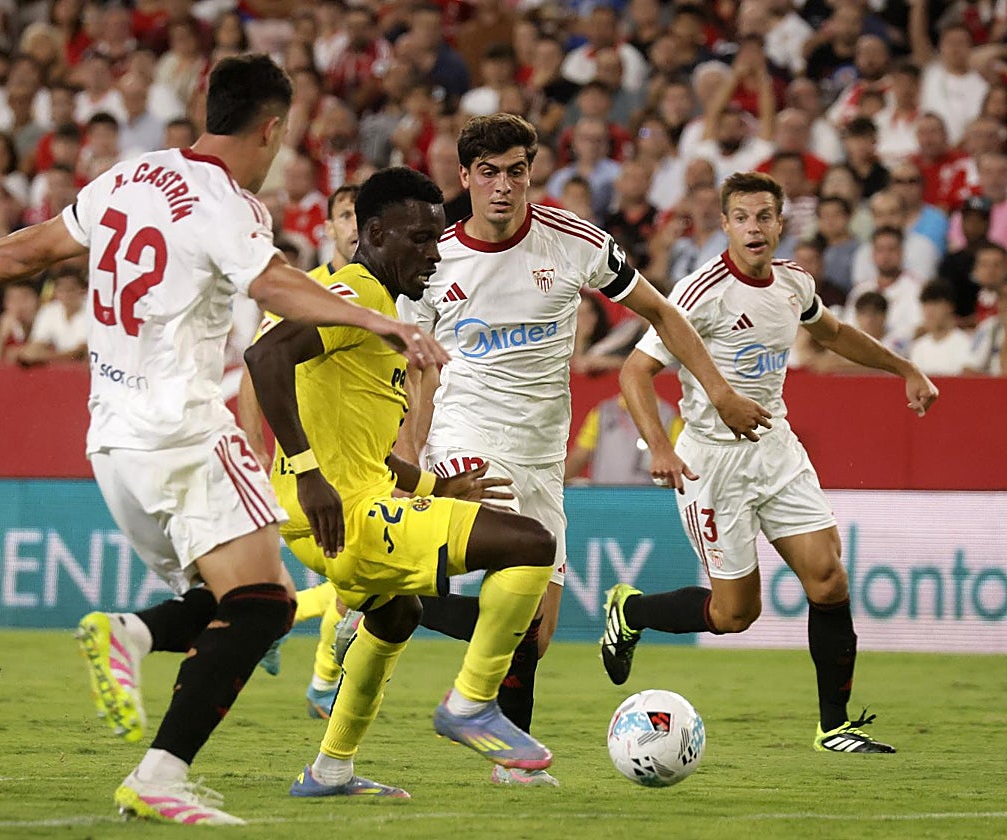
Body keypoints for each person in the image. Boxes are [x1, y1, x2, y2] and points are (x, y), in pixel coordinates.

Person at [0, 54, 447, 827]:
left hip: (110, 440)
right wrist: (379, 318)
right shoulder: (232, 204)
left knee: (229, 602)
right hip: (182, 427)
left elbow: (35, 246)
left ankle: (137, 642)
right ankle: (156, 758)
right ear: (272, 126)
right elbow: (273, 284)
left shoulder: (128, 177)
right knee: (264, 606)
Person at [401, 114, 771, 787]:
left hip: (543, 451)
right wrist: (407, 452)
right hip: (467, 440)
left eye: (517, 171)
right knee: (513, 581)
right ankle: (479, 720)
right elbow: (414, 369)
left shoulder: (574, 242)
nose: (504, 186)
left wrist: (716, 390)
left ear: (531, 172)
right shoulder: (435, 260)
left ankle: (379, 603)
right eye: (489, 172)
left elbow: (663, 313)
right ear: (465, 177)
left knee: (534, 633)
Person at [602, 170, 939, 755]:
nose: (754, 228)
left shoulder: (795, 284)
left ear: (781, 224)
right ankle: (631, 610)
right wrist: (659, 446)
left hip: (775, 448)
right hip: (712, 464)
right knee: (736, 615)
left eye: (765, 216)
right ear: (725, 224)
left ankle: (834, 726)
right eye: (742, 218)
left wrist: (904, 368)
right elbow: (635, 371)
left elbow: (833, 334)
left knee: (829, 579)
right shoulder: (697, 292)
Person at [245, 166, 555, 799]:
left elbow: (362, 449)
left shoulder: (370, 306)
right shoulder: (355, 294)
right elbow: (264, 357)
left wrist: (433, 490)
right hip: (341, 512)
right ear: (375, 232)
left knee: (397, 615)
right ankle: (470, 702)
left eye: (437, 239)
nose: (433, 255)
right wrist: (307, 474)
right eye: (419, 240)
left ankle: (330, 771)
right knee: (530, 544)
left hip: (325, 514)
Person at [236, 181, 362, 719]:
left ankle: (293, 643)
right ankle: (319, 679)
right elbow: (256, 365)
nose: (356, 226)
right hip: (309, 467)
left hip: (359, 462)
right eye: (347, 215)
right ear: (328, 227)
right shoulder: (305, 290)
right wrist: (254, 446)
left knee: (355, 584)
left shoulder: (395, 291)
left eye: (365, 215)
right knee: (363, 583)